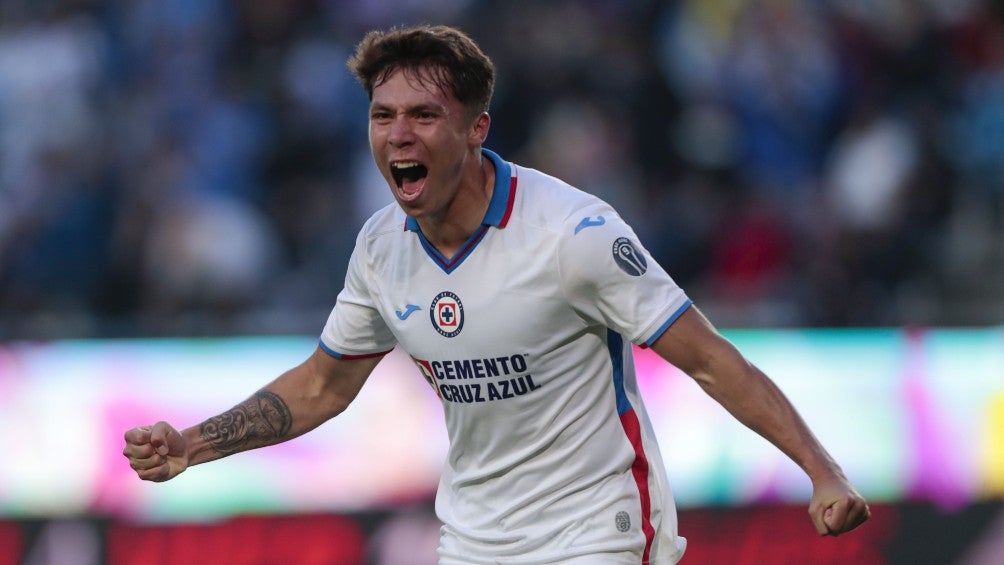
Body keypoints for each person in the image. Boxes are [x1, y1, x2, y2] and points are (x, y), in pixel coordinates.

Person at [123, 24, 870, 564]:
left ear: (477, 128)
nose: (398, 135)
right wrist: (193, 444)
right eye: (383, 116)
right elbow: (322, 385)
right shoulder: (382, 248)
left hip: (598, 529)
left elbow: (709, 358)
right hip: (475, 538)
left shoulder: (572, 232)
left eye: (424, 116)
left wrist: (822, 468)